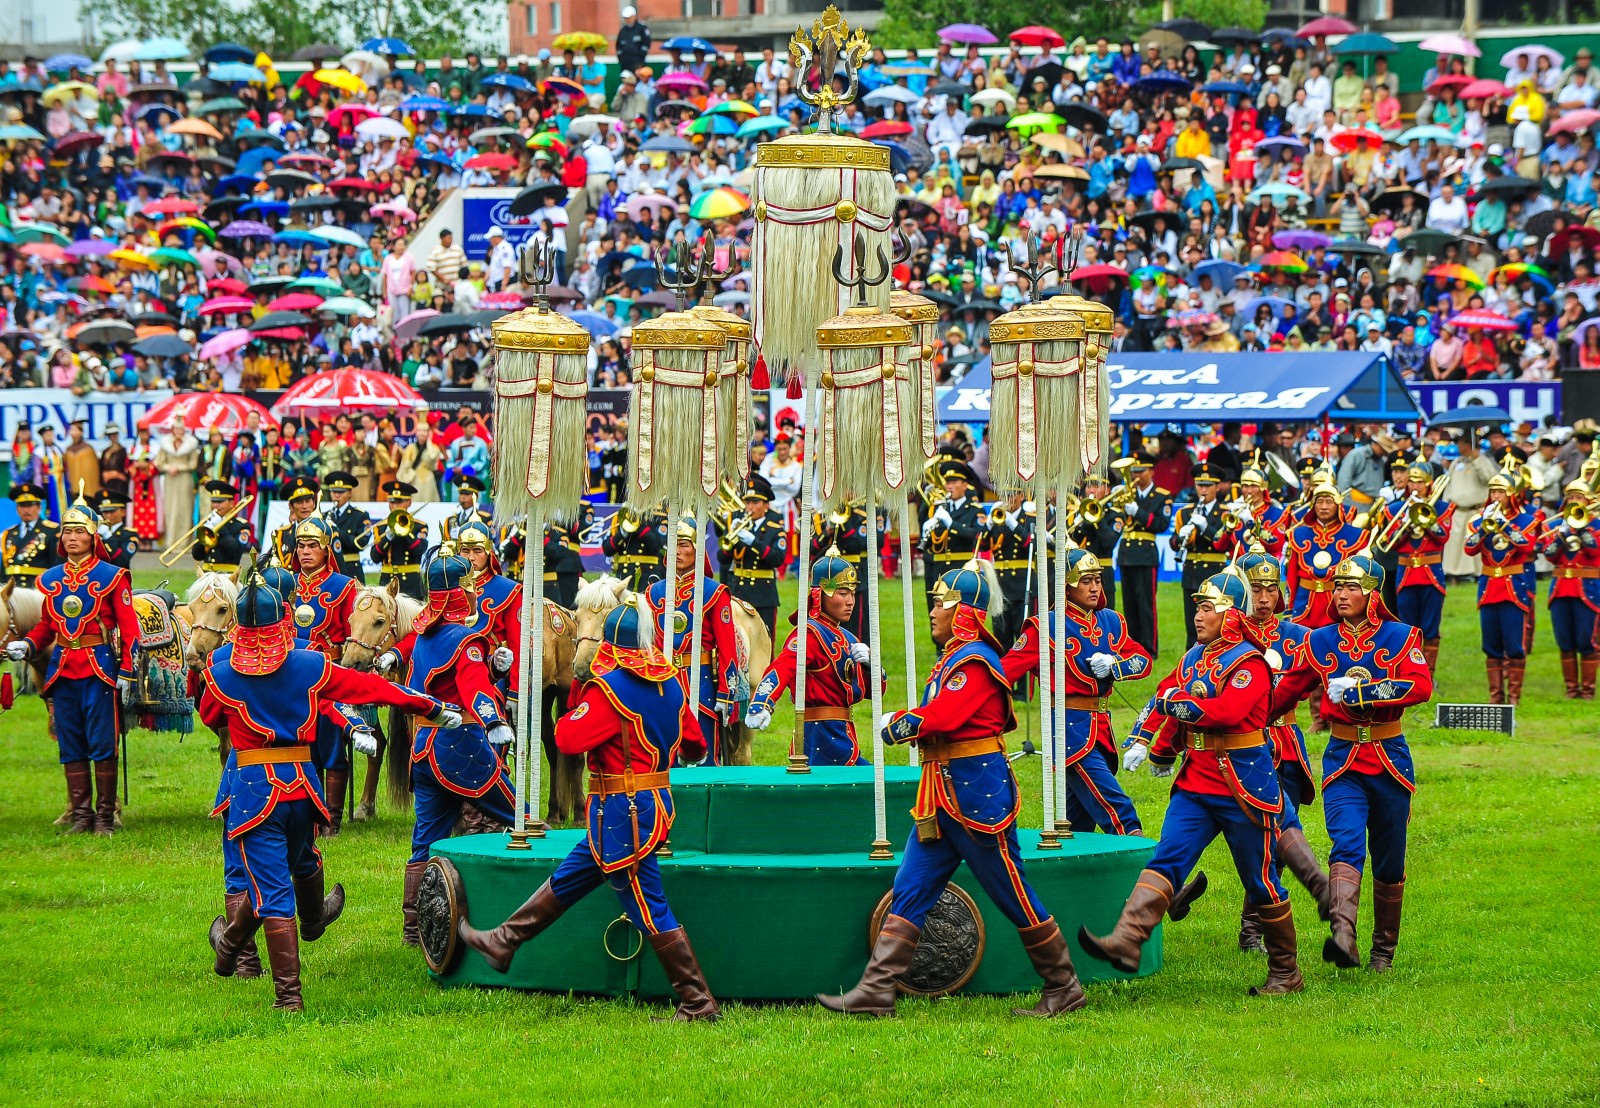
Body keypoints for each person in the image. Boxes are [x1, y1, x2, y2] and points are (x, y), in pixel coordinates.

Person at [819, 558, 1087, 1018]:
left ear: (964, 612)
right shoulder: (954, 660)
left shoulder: (975, 660)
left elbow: (946, 716)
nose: (933, 610)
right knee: (910, 886)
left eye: (941, 603)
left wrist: (900, 723)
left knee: (1011, 891)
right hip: (940, 797)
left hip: (976, 796)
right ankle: (876, 989)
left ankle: (1063, 984)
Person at [202, 562, 458, 1011]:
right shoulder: (310, 664)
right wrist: (429, 706)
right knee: (299, 862)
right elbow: (368, 688)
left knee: (272, 891)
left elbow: (209, 715)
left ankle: (288, 997)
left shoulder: (221, 672)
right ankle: (241, 945)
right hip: (302, 787)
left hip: (253, 791)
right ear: (284, 617)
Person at [456, 595, 720, 1022]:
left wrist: (581, 691)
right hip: (647, 805)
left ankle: (698, 1001)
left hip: (621, 812)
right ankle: (503, 941)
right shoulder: (672, 683)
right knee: (573, 874)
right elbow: (695, 744)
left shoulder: (610, 689)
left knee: (647, 903)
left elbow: (567, 739)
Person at [1091, 568, 1302, 996]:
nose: (1198, 616)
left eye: (1207, 608)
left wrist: (1177, 703)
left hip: (1242, 786)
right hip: (1197, 782)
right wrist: (1156, 742)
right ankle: (1127, 940)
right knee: (1167, 858)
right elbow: (1167, 697)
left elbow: (1225, 712)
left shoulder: (1250, 662)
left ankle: (1286, 972)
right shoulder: (1193, 658)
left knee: (1260, 880)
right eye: (1198, 609)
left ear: (1231, 614)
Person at [1272, 553, 1434, 973]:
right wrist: (1237, 718)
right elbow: (1284, 693)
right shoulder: (1319, 640)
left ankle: (1383, 951)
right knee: (1345, 843)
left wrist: (1367, 691)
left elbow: (1421, 687)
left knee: (1390, 859)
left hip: (1390, 758)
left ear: (1372, 594)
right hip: (1343, 760)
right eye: (1337, 587)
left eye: (1351, 587)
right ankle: (1343, 935)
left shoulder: (1401, 636)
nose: (1341, 594)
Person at [377, 553, 518, 945]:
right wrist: (493, 719)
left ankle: (413, 928)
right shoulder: (465, 638)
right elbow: (472, 686)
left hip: (424, 750)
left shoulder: (426, 633)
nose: (476, 592)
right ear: (461, 593)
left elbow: (445, 677)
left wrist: (496, 666)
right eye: (471, 586)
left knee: (425, 840)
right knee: (522, 818)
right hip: (461, 750)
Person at [8, 491, 142, 835]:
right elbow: (47, 625)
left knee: (102, 742)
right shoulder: (51, 579)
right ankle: (81, 817)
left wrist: (128, 671)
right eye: (67, 531)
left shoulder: (113, 576)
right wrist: (27, 643)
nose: (71, 538)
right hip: (62, 670)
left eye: (79, 531)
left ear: (93, 536)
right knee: (70, 742)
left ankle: (104, 818)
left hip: (99, 670)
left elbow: (130, 630)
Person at [1001, 547, 1148, 836]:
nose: (1094, 588)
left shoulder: (1111, 620)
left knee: (1076, 825)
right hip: (1069, 731)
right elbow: (1004, 672)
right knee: (1117, 809)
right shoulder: (1045, 627)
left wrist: (1116, 664)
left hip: (1102, 729)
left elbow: (1143, 660)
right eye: (1085, 581)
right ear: (1066, 586)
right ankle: (1146, 859)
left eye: (1097, 580)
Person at [1235, 548, 1331, 951]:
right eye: (1256, 590)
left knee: (1277, 841)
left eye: (1270, 590)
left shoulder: (1298, 636)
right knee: (1253, 837)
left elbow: (1329, 668)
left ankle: (1252, 927)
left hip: (1286, 742)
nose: (1263, 599)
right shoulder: (1227, 633)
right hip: (1242, 746)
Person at [745, 549, 871, 766]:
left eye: (852, 593)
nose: (851, 601)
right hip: (819, 737)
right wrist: (761, 702)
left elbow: (872, 691)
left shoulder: (848, 637)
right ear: (819, 595)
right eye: (842, 593)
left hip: (843, 734)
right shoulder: (809, 634)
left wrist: (870, 665)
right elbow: (782, 667)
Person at [649, 518, 747, 765]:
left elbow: (727, 648)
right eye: (673, 544)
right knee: (664, 756)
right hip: (662, 685)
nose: (677, 551)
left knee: (703, 758)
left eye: (683, 545)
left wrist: (726, 693)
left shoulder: (714, 592)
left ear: (697, 549)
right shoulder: (653, 592)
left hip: (700, 685)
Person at [288, 516, 360, 833]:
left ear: (325, 549)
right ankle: (309, 814)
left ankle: (331, 819)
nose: (305, 552)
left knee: (331, 746)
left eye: (312, 546)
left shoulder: (344, 586)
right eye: (301, 546)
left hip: (329, 675)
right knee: (300, 743)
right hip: (291, 677)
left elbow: (352, 635)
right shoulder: (285, 583)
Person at [1463, 476, 1534, 704]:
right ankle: (1496, 697)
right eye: (1493, 492)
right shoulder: (1479, 521)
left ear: (1510, 495)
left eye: (1500, 492)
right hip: (1488, 588)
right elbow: (1469, 549)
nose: (1495, 496)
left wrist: (1504, 525)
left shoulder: (1525, 520)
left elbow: (1527, 546)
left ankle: (1513, 698)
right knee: (1490, 645)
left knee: (1514, 645)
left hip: (1513, 588)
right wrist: (1484, 527)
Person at [1385, 462, 1452, 671]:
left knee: (1430, 627)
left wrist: (1426, 519)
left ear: (1429, 483)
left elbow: (1442, 537)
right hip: (1406, 574)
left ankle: (1428, 674)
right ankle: (1409, 672)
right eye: (1412, 481)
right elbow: (1390, 543)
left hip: (1431, 574)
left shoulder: (1441, 508)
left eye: (1420, 482)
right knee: (1407, 627)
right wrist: (1406, 520)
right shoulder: (1395, 509)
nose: (1415, 486)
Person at [1539, 480, 1600, 698]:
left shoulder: (1597, 525)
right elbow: (1549, 554)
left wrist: (1581, 527)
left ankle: (1588, 690)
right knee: (1564, 640)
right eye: (1571, 497)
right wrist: (1562, 533)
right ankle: (1571, 689)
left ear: (1589, 501)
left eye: (1579, 497)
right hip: (1560, 589)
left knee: (1587, 639)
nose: (1574, 501)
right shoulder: (1557, 526)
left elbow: (1594, 550)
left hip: (1587, 589)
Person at [1285, 476, 1367, 630]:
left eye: (1329, 502)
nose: (1323, 506)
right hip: (1304, 605)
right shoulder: (1298, 534)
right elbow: (1292, 577)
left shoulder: (1356, 536)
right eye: (1319, 501)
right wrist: (1289, 607)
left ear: (1338, 505)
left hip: (1338, 604)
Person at [1172, 462, 1236, 649]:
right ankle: (1191, 660)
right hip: (1191, 573)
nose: (1203, 489)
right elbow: (1174, 544)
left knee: (1215, 622)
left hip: (1214, 573)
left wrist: (1206, 528)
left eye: (1208, 485)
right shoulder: (1185, 513)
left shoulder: (1225, 513)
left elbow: (1226, 543)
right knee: (1192, 623)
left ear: (1217, 486)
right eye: (1200, 485)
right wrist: (1180, 537)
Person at [716, 475, 787, 640]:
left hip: (764, 594)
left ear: (766, 505)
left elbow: (777, 559)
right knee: (738, 640)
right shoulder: (738, 524)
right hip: (739, 591)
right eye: (747, 502)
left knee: (764, 641)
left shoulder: (774, 528)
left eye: (755, 503)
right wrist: (731, 537)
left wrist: (753, 541)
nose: (750, 507)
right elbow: (722, 559)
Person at [1113, 453, 1172, 655]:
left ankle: (1149, 647)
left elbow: (1161, 524)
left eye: (1141, 471)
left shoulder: (1162, 495)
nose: (1136, 475)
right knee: (1129, 603)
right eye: (1134, 471)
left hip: (1146, 553)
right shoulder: (1126, 493)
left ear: (1152, 472)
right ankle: (1132, 645)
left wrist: (1137, 512)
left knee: (1146, 604)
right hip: (1127, 553)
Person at [919, 458, 985, 618]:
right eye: (948, 482)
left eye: (954, 482)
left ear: (965, 485)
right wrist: (927, 527)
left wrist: (951, 523)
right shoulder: (939, 507)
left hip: (959, 569)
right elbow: (931, 543)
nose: (949, 486)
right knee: (936, 613)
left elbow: (975, 535)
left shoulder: (974, 510)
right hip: (938, 569)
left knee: (956, 613)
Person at [810, 500, 871, 641]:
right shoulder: (822, 516)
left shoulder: (860, 516)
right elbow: (813, 548)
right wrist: (827, 532)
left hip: (851, 574)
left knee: (854, 621)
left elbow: (858, 545)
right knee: (828, 613)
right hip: (829, 574)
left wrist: (844, 523)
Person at [983, 492, 1035, 651]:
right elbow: (981, 545)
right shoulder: (996, 517)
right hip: (1000, 584)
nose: (1008, 500)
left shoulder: (1029, 517)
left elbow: (1032, 545)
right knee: (1001, 637)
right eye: (1005, 496)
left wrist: (1013, 524)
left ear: (1021, 496)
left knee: (1022, 635)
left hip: (1021, 583)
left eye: (1012, 495)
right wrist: (987, 526)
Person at [374, 480, 428, 601]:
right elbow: (375, 557)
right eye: (392, 502)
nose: (395, 506)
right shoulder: (381, 527)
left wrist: (404, 530)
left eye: (399, 502)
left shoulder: (419, 526)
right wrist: (388, 536)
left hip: (411, 582)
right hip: (387, 581)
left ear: (409, 502)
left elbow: (419, 550)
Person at [2, 483, 62, 583]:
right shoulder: (9, 533)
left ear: (39, 507)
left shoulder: (51, 530)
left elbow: (57, 566)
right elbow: (4, 570)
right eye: (22, 505)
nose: (26, 510)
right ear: (17, 508)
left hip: (37, 587)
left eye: (30, 505)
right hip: (12, 588)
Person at [192, 480, 255, 575]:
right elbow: (197, 555)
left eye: (220, 502)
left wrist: (220, 527)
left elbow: (236, 552)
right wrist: (204, 534)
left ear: (231, 503)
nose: (215, 505)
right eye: (213, 501)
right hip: (206, 574)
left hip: (228, 575)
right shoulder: (208, 522)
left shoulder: (241, 525)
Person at [321, 471, 372, 583]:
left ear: (349, 493)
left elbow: (361, 543)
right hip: (329, 569)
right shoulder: (324, 516)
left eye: (341, 492)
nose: (337, 495)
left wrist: (336, 531)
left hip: (351, 569)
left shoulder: (360, 515)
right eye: (334, 491)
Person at [603, 505, 668, 591]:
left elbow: (656, 546)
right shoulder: (622, 516)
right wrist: (622, 533)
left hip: (648, 574)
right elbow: (607, 550)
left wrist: (639, 526)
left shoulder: (659, 517)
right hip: (624, 574)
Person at [155, 422, 199, 542]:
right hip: (170, 479)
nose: (178, 431)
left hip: (185, 478)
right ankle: (171, 542)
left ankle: (184, 543)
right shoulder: (165, 444)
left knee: (185, 509)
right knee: (170, 509)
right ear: (172, 430)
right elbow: (159, 462)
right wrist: (168, 468)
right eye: (176, 429)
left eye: (181, 429)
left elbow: (194, 463)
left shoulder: (191, 444)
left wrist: (180, 467)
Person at [271, 477, 325, 568]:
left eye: (308, 501)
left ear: (314, 503)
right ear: (291, 506)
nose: (304, 506)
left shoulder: (324, 531)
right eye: (299, 502)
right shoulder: (281, 535)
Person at [95, 491, 139, 570]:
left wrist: (107, 536)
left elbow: (122, 560)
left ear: (123, 512)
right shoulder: (97, 531)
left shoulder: (129, 535)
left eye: (112, 511)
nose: (108, 515)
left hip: (117, 574)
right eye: (105, 512)